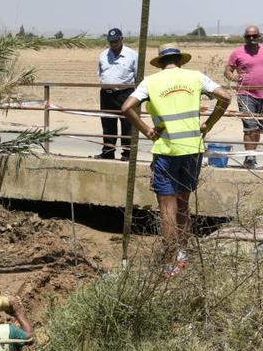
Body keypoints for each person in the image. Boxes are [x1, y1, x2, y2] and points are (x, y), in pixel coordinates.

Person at [121, 43, 231, 276]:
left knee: (167, 209)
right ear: (180, 60)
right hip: (193, 150)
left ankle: (171, 261)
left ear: (160, 62)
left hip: (167, 152)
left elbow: (127, 107)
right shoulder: (195, 77)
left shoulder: (151, 82)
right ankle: (183, 252)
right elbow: (225, 96)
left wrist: (146, 130)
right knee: (183, 203)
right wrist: (208, 125)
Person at [96, 28, 139, 160]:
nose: (113, 43)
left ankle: (127, 154)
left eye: (115, 41)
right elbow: (100, 73)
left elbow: (138, 76)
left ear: (121, 39)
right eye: (111, 41)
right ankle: (108, 152)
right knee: (108, 124)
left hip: (125, 93)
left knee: (127, 124)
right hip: (106, 94)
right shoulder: (103, 55)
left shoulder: (132, 55)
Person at [224, 25, 263, 169]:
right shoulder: (237, 53)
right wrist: (235, 78)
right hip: (246, 94)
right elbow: (228, 71)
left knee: (258, 127)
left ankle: (253, 154)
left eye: (254, 36)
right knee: (249, 126)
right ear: (244, 37)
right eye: (248, 36)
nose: (251, 38)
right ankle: (250, 157)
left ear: (259, 36)